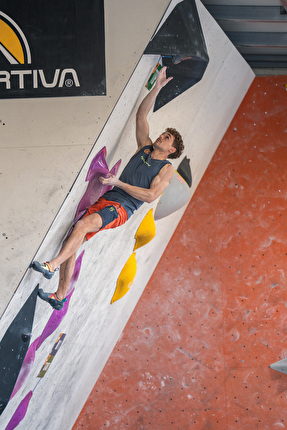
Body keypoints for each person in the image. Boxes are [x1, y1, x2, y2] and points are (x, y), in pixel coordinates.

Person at [31, 66, 184, 310]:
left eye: (167, 138)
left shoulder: (165, 169)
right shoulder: (144, 147)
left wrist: (120, 183)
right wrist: (157, 89)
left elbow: (150, 196)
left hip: (122, 208)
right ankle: (59, 297)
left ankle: (51, 266)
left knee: (81, 227)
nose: (161, 137)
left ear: (172, 150)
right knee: (76, 236)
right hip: (111, 198)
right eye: (163, 134)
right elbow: (141, 117)